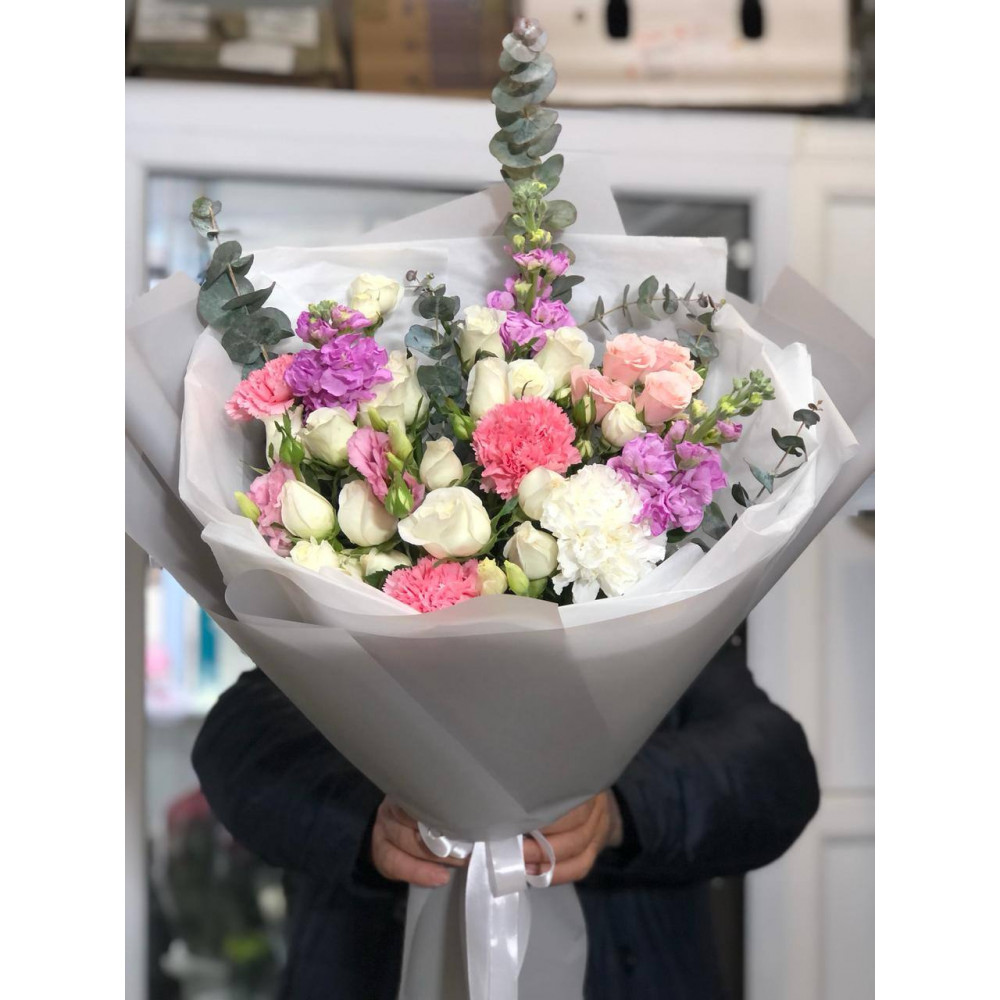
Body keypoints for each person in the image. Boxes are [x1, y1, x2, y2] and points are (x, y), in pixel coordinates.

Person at [193, 628, 819, 999]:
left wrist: (619, 808)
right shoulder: (357, 595)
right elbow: (236, 739)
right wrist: (371, 815)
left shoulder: (660, 605)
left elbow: (776, 769)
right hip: (365, 970)